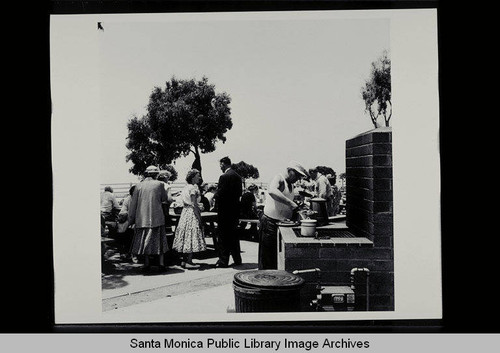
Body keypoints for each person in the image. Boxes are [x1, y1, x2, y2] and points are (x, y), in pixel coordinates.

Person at [258, 161, 309, 270]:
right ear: (290, 171)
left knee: (276, 256)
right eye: (297, 175)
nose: (297, 179)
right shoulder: (279, 178)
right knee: (267, 257)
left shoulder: (291, 185)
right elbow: (272, 191)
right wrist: (291, 203)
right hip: (270, 222)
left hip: (281, 224)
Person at [128, 166, 170, 272]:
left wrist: (131, 219)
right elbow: (165, 199)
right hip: (157, 217)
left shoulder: (138, 186)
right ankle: (161, 263)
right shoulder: (159, 184)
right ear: (156, 174)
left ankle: (147, 263)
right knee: (160, 242)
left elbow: (133, 204)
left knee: (145, 241)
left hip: (142, 218)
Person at [172, 169, 206, 269]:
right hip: (191, 212)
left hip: (185, 212)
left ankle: (184, 260)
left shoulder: (185, 187)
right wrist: (199, 217)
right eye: (197, 176)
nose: (199, 178)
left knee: (186, 233)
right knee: (191, 234)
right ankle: (189, 261)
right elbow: (194, 204)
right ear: (192, 177)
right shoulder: (193, 188)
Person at [213, 156, 243, 268]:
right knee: (234, 236)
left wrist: (215, 196)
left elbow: (220, 194)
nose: (220, 167)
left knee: (223, 237)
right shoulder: (238, 177)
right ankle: (237, 259)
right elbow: (239, 193)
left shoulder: (224, 177)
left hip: (224, 212)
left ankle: (223, 261)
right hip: (234, 211)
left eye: (220, 165)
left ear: (224, 164)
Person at [116, 185, 136, 260]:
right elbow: (123, 212)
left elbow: (123, 211)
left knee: (126, 234)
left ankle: (125, 253)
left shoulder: (128, 199)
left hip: (129, 223)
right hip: (129, 222)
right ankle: (128, 253)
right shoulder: (130, 199)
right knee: (129, 233)